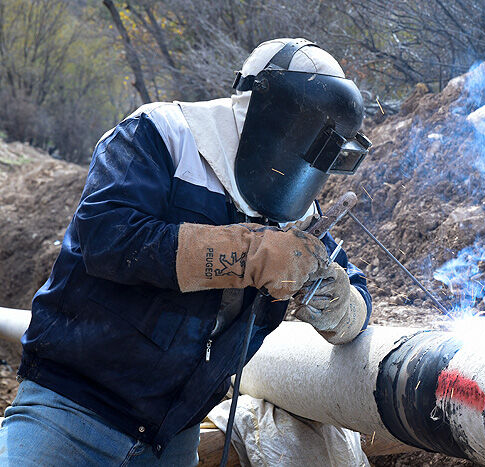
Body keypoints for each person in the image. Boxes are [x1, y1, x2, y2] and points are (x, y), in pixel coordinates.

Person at [0, 38, 372, 466]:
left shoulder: (296, 209)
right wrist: (248, 254)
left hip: (171, 437)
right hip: (70, 412)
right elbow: (106, 235)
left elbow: (352, 291)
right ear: (276, 115)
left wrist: (339, 301)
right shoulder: (163, 136)